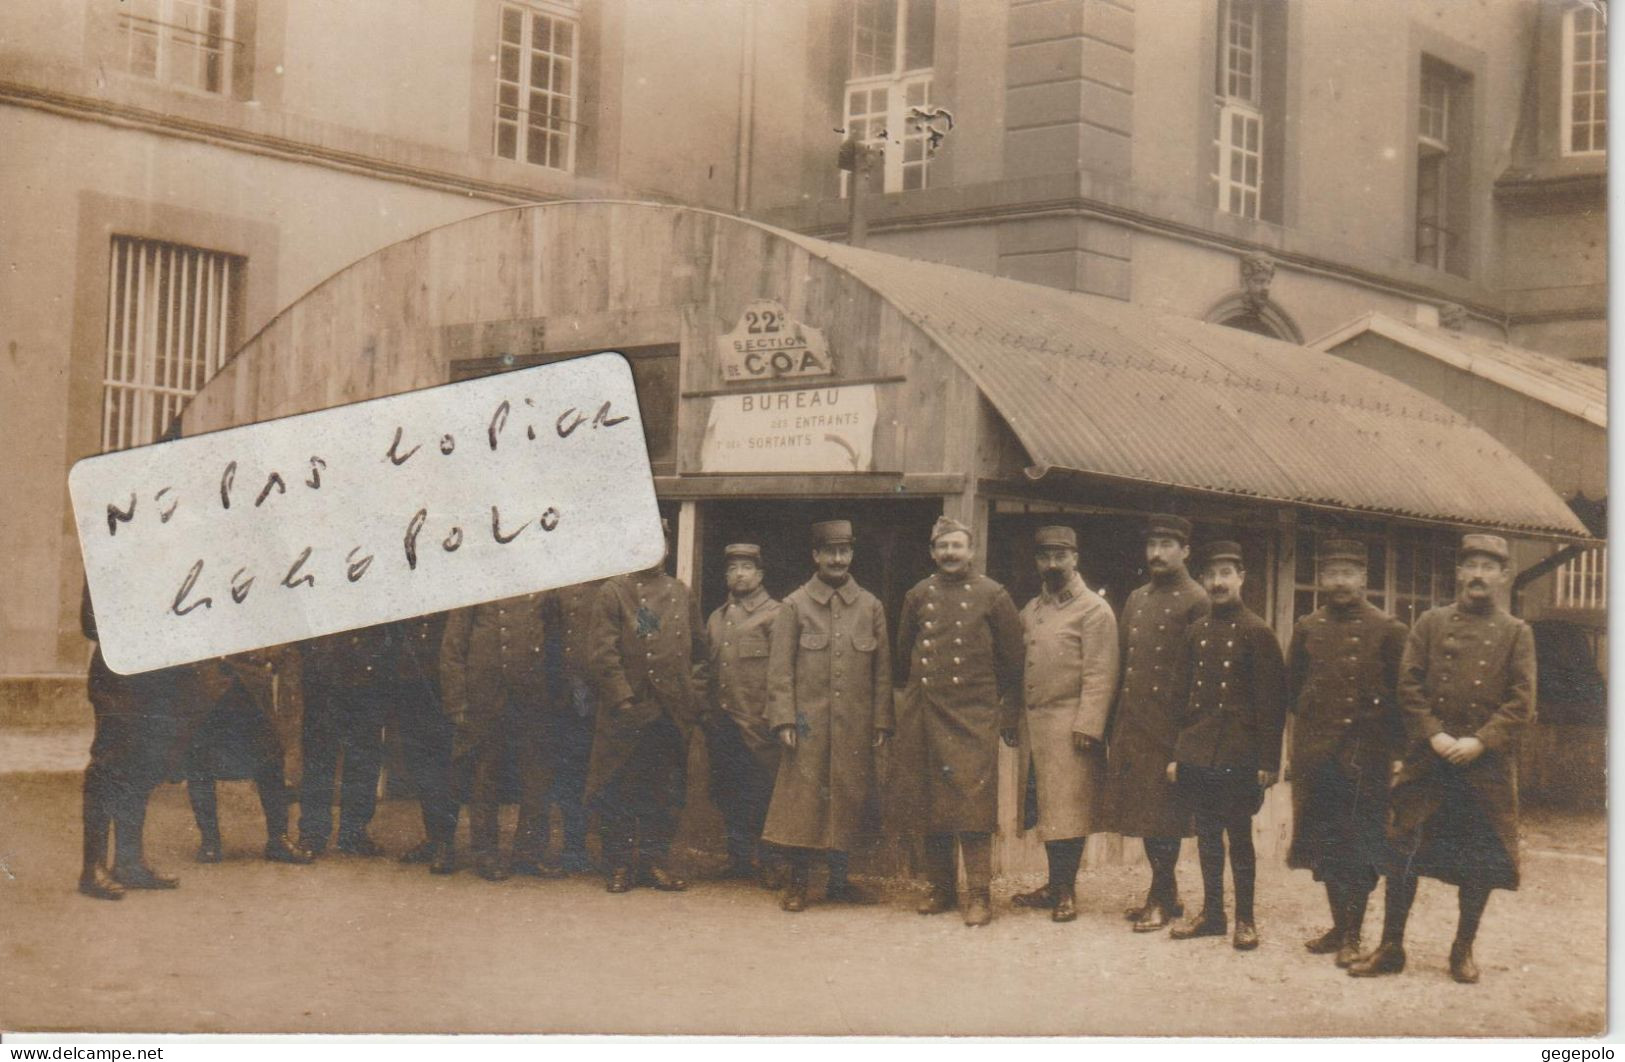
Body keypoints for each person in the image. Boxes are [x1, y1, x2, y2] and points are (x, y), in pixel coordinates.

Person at [1349, 533, 1536, 984]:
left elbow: (1522, 702)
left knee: (1478, 860)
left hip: (1483, 767)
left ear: (1502, 576)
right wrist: (1433, 734)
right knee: (1403, 853)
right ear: (1458, 573)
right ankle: (1392, 946)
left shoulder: (1516, 633)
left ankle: (1462, 950)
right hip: (1429, 762)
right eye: (1470, 565)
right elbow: (1408, 687)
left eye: (1488, 567)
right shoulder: (1430, 623)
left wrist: (1480, 742)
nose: (1477, 575)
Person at [896, 516, 1024, 927]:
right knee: (933, 800)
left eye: (957, 546)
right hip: (927, 711)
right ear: (933, 552)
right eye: (943, 546)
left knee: (972, 804)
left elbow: (1013, 662)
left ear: (971, 551)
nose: (950, 553)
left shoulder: (993, 596)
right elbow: (903, 656)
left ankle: (980, 895)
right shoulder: (918, 595)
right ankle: (941, 889)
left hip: (973, 713)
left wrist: (999, 710)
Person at [762, 519, 894, 913]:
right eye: (830, 552)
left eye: (844, 551)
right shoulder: (794, 605)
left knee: (849, 799)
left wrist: (881, 721)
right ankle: (798, 885)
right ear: (815, 556)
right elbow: (780, 669)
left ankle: (839, 881)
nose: (838, 559)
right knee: (803, 804)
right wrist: (784, 718)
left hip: (854, 725)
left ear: (852, 554)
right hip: (807, 726)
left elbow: (882, 672)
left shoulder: (871, 606)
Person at [1286, 539, 1407, 967]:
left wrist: (1397, 756)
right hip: (1318, 756)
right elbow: (1293, 692)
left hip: (1365, 758)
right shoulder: (1308, 627)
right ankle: (1339, 926)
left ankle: (1354, 934)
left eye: (1349, 574)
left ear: (1364, 579)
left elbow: (1402, 700)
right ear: (1322, 578)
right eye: (1333, 573)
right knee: (1325, 845)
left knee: (1359, 848)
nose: (1340, 582)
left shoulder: (1387, 629)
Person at [1166, 540, 1287, 952]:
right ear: (1203, 580)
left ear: (1241, 578)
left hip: (1239, 755)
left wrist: (1269, 762)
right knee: (1206, 836)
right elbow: (1180, 699)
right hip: (1199, 753)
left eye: (1226, 575)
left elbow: (1272, 705)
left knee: (1239, 838)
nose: (1218, 583)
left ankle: (1246, 920)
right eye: (1211, 576)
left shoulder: (1258, 632)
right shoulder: (1195, 632)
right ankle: (1213, 914)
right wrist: (1176, 754)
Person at [587, 527, 708, 893]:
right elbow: (601, 654)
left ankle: (655, 863)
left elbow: (700, 654)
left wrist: (691, 699)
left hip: (670, 714)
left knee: (664, 793)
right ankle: (619, 865)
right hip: (628, 713)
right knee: (621, 791)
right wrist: (623, 700)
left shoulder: (680, 593)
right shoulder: (614, 592)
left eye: (660, 543)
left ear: (668, 548)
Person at [1009, 525, 1119, 924]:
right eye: (1044, 556)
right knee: (1046, 808)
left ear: (1075, 558)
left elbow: (1101, 672)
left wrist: (1089, 724)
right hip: (1035, 724)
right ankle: (1054, 884)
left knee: (1069, 811)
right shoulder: (1032, 611)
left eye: (1060, 556)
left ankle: (1067, 891)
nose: (1052, 564)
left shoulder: (1093, 610)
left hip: (1070, 724)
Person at [1102, 514, 1207, 931]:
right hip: (1135, 723)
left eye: (1167, 545)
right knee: (1146, 814)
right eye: (1152, 545)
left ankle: (1160, 898)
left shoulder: (1197, 599)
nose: (1157, 554)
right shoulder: (1137, 599)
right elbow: (1123, 665)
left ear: (1185, 551)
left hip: (1171, 726)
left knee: (1165, 816)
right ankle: (1166, 893)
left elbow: (1201, 672)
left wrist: (1189, 736)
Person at [78, 585, 206, 898]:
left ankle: (129, 862)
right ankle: (91, 867)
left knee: (143, 766)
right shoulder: (107, 546)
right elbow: (90, 623)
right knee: (108, 765)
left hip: (162, 677)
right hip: (118, 678)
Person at [440, 594, 557, 881]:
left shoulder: (543, 583)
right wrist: (456, 701)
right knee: (485, 776)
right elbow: (452, 648)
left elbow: (553, 640)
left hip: (532, 694)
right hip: (485, 695)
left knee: (536, 777)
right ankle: (485, 853)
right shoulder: (479, 585)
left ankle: (529, 853)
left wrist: (556, 691)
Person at [183, 648, 313, 865]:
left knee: (270, 758)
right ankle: (210, 841)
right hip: (206, 678)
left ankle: (278, 839)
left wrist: (265, 655)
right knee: (200, 759)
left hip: (252, 679)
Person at [703, 543, 784, 884]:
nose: (739, 574)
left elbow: (782, 674)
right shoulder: (717, 618)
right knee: (728, 791)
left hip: (759, 725)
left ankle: (770, 863)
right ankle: (737, 859)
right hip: (724, 724)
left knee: (763, 793)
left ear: (760, 575)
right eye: (733, 568)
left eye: (746, 568)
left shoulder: (776, 614)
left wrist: (775, 718)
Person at [295, 623, 397, 857]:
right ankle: (313, 832)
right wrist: (315, 658)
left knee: (364, 757)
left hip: (368, 677)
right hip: (324, 677)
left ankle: (354, 831)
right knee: (318, 756)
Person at [545, 578, 607, 874]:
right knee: (569, 775)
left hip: (604, 695)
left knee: (605, 774)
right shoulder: (560, 589)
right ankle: (573, 846)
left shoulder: (614, 587)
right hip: (566, 696)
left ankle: (611, 853)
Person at [394, 612, 459, 876]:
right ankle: (433, 837)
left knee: (443, 765)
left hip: (442, 683)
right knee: (419, 765)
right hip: (409, 684)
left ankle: (446, 842)